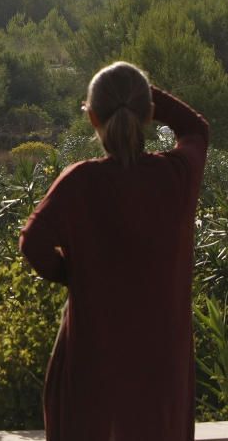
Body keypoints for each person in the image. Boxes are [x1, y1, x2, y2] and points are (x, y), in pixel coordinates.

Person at [20, 61, 209, 441]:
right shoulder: (176, 176)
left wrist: (73, 273)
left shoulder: (79, 182)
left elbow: (33, 241)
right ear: (149, 116)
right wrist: (143, 95)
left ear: (92, 118)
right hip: (161, 377)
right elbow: (195, 129)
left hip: (92, 371)